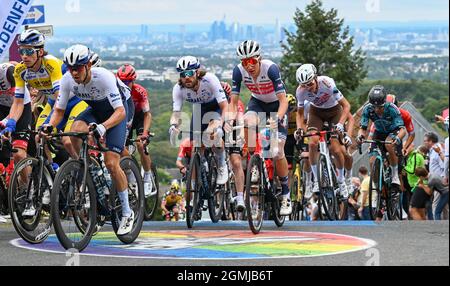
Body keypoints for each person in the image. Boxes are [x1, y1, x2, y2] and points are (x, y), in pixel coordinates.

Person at [46, 44, 135, 235]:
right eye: (70, 68)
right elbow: (59, 110)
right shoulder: (68, 80)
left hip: (119, 110)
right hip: (96, 109)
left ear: (87, 66)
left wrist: (103, 127)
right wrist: (49, 126)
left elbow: (119, 112)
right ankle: (89, 168)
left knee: (112, 163)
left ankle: (127, 212)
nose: (74, 72)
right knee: (74, 131)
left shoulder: (103, 77)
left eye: (78, 68)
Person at [226, 40, 292, 215]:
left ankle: (286, 193)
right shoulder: (238, 72)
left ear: (259, 59)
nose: (249, 66)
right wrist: (230, 120)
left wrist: (277, 118)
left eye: (252, 61)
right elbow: (233, 103)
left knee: (277, 152)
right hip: (257, 102)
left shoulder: (271, 69)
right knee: (247, 122)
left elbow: (284, 100)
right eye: (244, 62)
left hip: (277, 105)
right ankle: (255, 162)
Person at [295, 63, 352, 200]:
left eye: (309, 83)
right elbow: (300, 114)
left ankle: (341, 182)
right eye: (304, 85)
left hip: (334, 111)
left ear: (315, 78)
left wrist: (339, 124)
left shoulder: (327, 83)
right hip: (316, 113)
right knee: (312, 143)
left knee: (335, 149)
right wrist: (299, 129)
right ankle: (315, 181)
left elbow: (346, 105)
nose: (308, 87)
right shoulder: (300, 91)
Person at [169, 56, 229, 186]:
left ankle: (221, 163)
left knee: (211, 133)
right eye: (183, 74)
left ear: (197, 72)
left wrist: (220, 126)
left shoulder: (210, 79)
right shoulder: (178, 88)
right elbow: (176, 113)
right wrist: (173, 125)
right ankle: (201, 169)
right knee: (195, 143)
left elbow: (225, 106)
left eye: (190, 73)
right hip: (199, 109)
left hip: (216, 106)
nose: (186, 77)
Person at [357, 85, 406, 187]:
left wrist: (397, 138)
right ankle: (376, 189)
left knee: (389, 145)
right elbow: (362, 128)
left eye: (380, 107)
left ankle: (394, 174)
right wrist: (360, 136)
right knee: (372, 161)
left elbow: (402, 130)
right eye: (374, 107)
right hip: (378, 132)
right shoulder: (367, 109)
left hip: (393, 131)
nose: (377, 109)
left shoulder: (392, 109)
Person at [117, 64, 154, 197]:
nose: (125, 85)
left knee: (140, 144)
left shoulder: (140, 91)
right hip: (124, 117)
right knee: (120, 149)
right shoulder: (116, 90)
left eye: (127, 82)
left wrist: (145, 133)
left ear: (133, 81)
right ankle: (131, 176)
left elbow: (147, 114)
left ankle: (148, 176)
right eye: (122, 82)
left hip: (138, 117)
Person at [423, 132, 446, 220]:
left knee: (436, 205)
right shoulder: (432, 151)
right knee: (444, 206)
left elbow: (443, 165)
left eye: (425, 141)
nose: (424, 143)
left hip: (439, 181)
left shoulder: (437, 150)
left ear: (431, 141)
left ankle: (436, 225)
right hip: (438, 181)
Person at [401, 144, 427, 218]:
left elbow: (412, 171)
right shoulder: (411, 156)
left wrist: (403, 167)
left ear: (412, 146)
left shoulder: (415, 156)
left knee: (413, 210)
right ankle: (424, 226)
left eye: (406, 147)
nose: (404, 149)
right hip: (415, 185)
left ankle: (420, 226)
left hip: (418, 185)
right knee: (420, 210)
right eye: (403, 147)